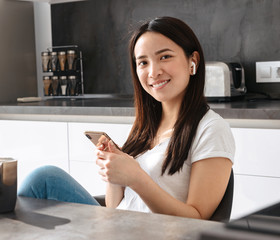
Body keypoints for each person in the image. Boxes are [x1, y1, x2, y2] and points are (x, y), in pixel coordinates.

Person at [18, 16, 235, 220]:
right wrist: (116, 173)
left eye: (165, 57)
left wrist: (136, 177)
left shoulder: (211, 129)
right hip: (116, 227)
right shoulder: (147, 127)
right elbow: (114, 209)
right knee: (43, 179)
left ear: (192, 61)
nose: (153, 72)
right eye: (143, 63)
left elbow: (198, 221)